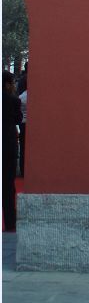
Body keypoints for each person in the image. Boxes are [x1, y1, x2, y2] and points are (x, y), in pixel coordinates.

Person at [2, 71, 22, 232]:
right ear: (7, 84)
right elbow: (18, 119)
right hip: (7, 145)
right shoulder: (14, 100)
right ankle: (9, 222)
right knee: (8, 185)